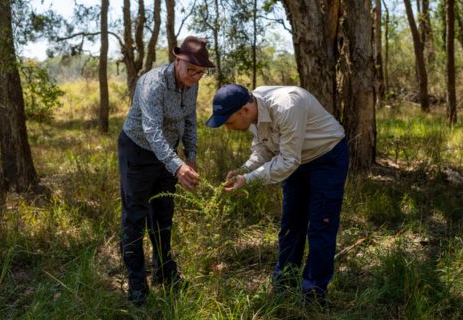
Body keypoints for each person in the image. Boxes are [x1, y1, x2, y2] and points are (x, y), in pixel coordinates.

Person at [206, 84, 350, 305]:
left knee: (321, 226)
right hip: (294, 159)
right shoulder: (253, 113)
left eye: (229, 122)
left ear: (244, 110)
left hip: (326, 156)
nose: (228, 128)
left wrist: (249, 179)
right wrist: (243, 170)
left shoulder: (286, 105)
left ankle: (313, 294)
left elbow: (289, 160)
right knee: (291, 225)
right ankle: (284, 284)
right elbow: (263, 150)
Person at [118, 36, 214, 306]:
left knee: (163, 214)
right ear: (177, 60)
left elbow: (190, 119)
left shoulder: (191, 85)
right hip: (138, 150)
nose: (195, 76)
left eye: (201, 73)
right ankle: (137, 283)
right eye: (191, 70)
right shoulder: (154, 83)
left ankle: (164, 271)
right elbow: (151, 130)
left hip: (168, 154)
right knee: (135, 216)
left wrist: (190, 157)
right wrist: (176, 166)